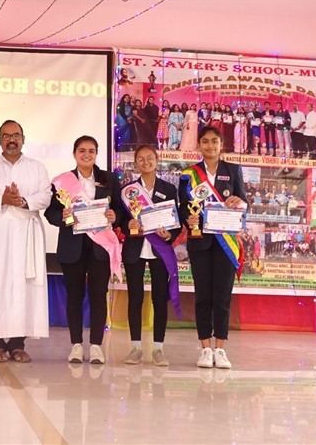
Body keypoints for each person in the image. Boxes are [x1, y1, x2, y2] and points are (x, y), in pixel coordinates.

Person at [0, 120, 52, 363]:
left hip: (26, 232)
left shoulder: (37, 167)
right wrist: (2, 199)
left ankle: (17, 344)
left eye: (15, 135)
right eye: (6, 136)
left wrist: (22, 201)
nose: (11, 140)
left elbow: (46, 196)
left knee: (22, 287)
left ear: (23, 139)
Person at [44, 136, 123, 365]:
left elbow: (119, 208)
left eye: (91, 151)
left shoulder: (109, 179)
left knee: (98, 296)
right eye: (82, 150)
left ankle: (96, 345)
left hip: (100, 246)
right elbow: (50, 213)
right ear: (74, 153)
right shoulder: (62, 181)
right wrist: (62, 216)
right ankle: (76, 345)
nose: (86, 154)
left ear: (96, 154)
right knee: (74, 296)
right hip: (73, 246)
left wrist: (115, 215)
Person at [179, 126, 247, 370]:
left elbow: (244, 203)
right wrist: (188, 218)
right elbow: (182, 206)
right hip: (200, 241)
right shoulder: (189, 174)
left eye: (214, 141)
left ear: (221, 145)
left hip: (226, 242)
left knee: (222, 296)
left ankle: (220, 348)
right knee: (203, 296)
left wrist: (240, 202)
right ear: (199, 145)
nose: (210, 145)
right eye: (205, 141)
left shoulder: (233, 170)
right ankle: (205, 349)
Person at [118, 145, 181, 367]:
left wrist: (169, 235)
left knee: (159, 299)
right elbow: (120, 219)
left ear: (157, 159)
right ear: (135, 163)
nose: (146, 162)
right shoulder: (127, 191)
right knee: (135, 298)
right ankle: (135, 348)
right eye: (141, 159)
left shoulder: (168, 189)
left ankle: (158, 349)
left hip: (159, 249)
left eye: (150, 158)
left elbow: (175, 220)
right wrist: (127, 224)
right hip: (135, 249)